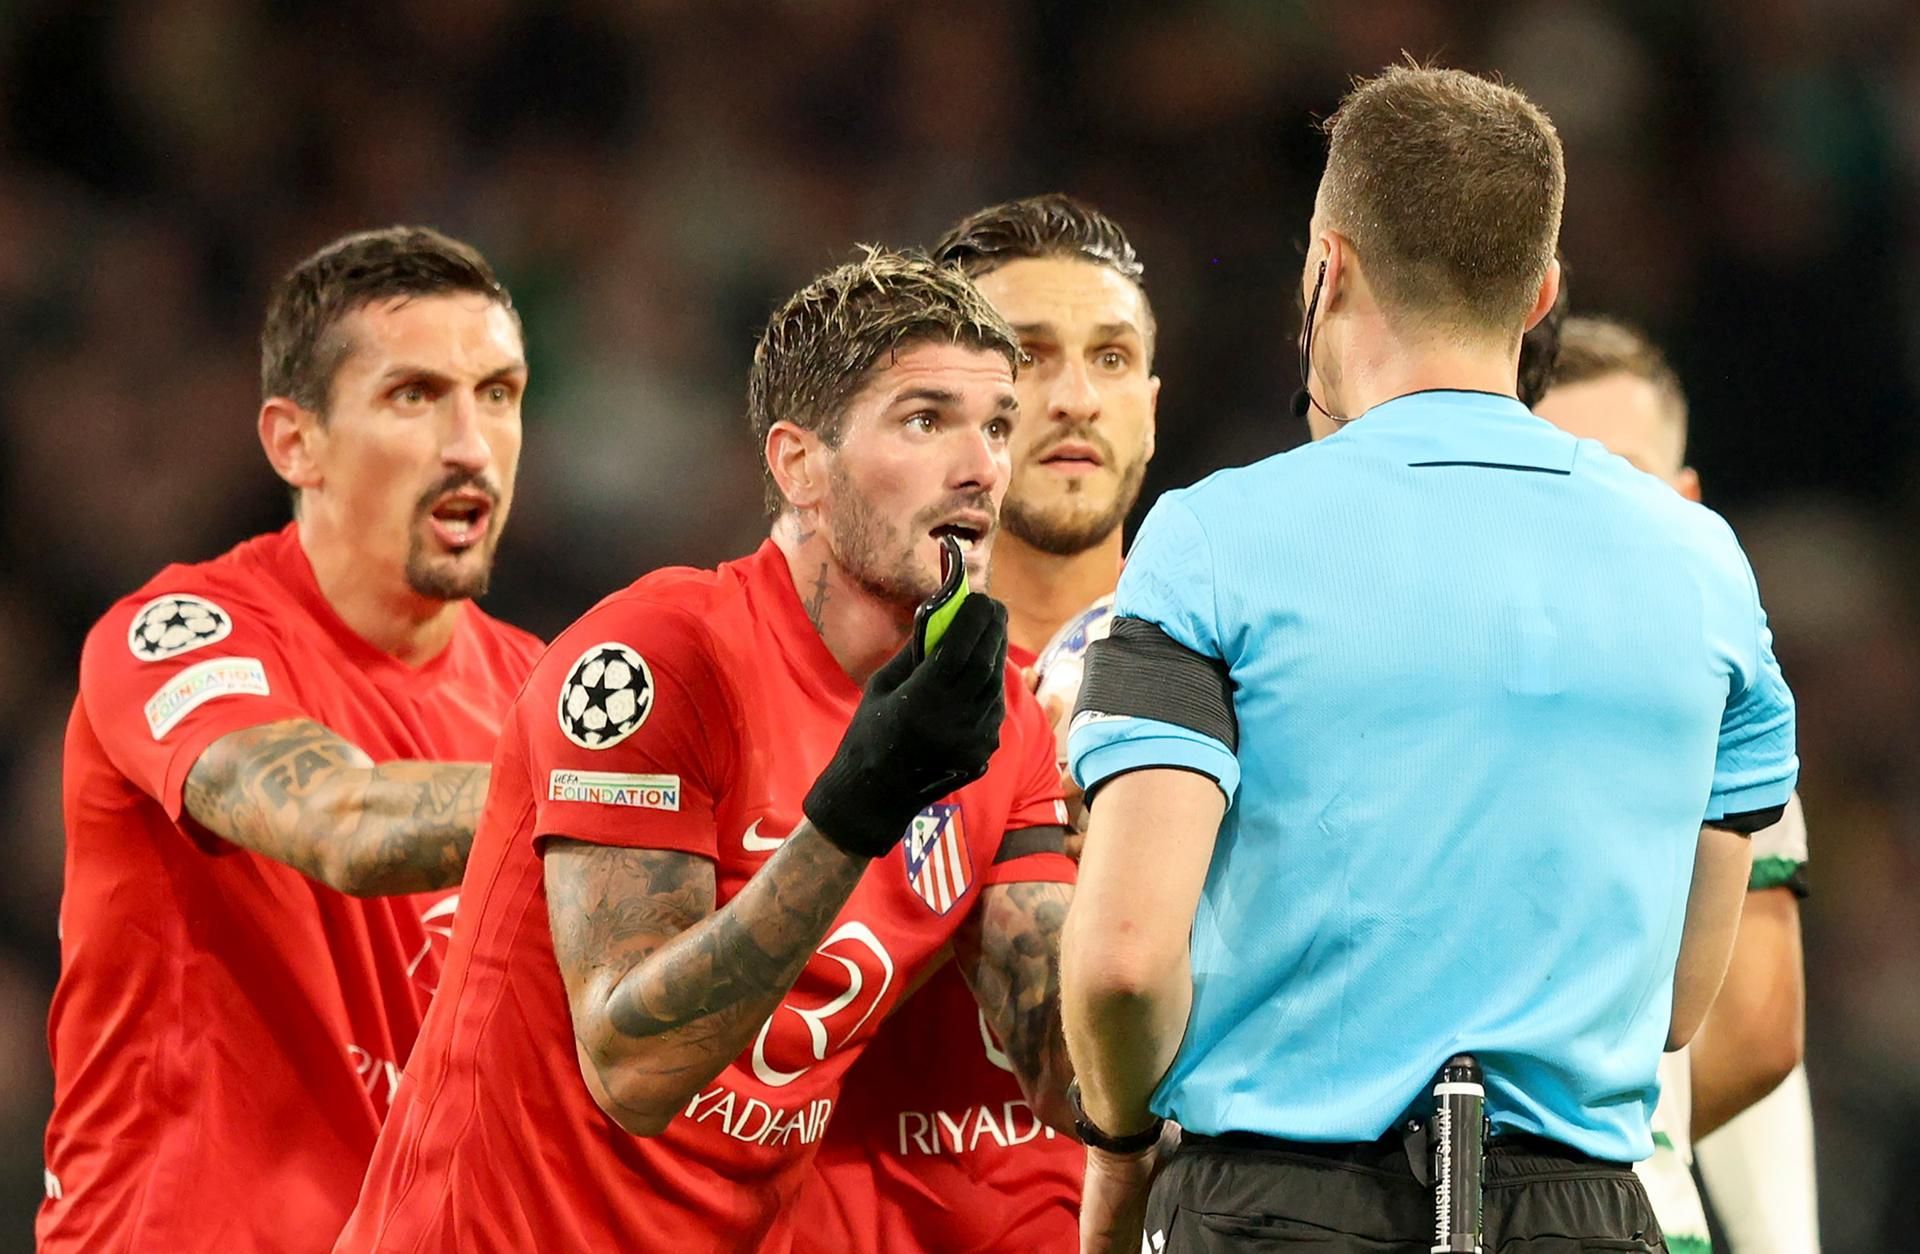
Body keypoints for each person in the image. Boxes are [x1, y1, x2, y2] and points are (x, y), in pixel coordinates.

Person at [1060, 64, 1798, 1253]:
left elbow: (1126, 969)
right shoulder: (1705, 570)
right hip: (1587, 1215)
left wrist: (1113, 1157)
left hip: (1272, 1209)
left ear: (1327, 269)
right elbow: (1675, 1004)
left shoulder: (1210, 540)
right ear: (1542, 291)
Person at [336, 247, 1078, 1253]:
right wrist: (859, 808)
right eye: (925, 420)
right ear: (798, 465)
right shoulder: (656, 659)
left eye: (995, 426)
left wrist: (1161, 801)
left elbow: (1071, 1068)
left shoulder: (1000, 722)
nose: (984, 466)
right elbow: (633, 1068)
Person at [39, 226, 544, 1251]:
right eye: (414, 395)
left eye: (499, 393)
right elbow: (341, 824)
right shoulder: (176, 636)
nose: (470, 444)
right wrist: (630, 782)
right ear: (292, 442)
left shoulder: (538, 692)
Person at [798, 194, 1160, 1253]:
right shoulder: (816, 657)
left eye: (1111, 356)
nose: (1075, 398)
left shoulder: (1243, 678)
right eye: (1030, 360)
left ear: (1153, 398)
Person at [1534, 315, 1818, 1254]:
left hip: (1604, 1207)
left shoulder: (1723, 695)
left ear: (1689, 498)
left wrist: (1566, 1150)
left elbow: (1761, 1031)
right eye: (1562, 472)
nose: (1594, 509)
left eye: (1623, 472)